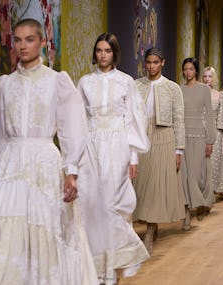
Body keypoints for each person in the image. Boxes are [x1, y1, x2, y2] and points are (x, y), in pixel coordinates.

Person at [0, 18, 99, 285]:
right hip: (11, 166)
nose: (22, 45)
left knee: (47, 226)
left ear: (42, 42)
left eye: (29, 39)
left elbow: (73, 127)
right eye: (17, 40)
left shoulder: (57, 81)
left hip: (44, 163)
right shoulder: (4, 84)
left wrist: (71, 171)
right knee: (7, 227)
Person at [77, 33, 150, 284]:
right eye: (98, 50)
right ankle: (97, 268)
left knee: (114, 204)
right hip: (91, 146)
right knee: (91, 204)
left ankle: (115, 266)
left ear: (114, 53)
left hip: (118, 146)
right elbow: (78, 121)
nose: (102, 55)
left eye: (107, 50)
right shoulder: (85, 82)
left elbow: (133, 120)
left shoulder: (126, 82)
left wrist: (133, 157)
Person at [133, 48, 186, 254]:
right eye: (148, 62)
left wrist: (179, 150)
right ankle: (145, 225)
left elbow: (179, 119)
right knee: (140, 182)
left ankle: (149, 230)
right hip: (141, 136)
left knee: (156, 184)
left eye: (155, 62)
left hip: (164, 136)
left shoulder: (172, 88)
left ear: (162, 63)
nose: (152, 66)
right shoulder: (136, 85)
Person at [180, 57, 215, 230]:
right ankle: (186, 213)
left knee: (197, 176)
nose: (188, 72)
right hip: (183, 137)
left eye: (191, 69)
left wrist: (210, 140)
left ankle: (201, 203)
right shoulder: (179, 89)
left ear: (196, 71)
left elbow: (209, 115)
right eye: (185, 69)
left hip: (200, 136)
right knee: (185, 177)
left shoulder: (204, 90)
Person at [202, 67, 223, 200]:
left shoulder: (219, 95)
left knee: (214, 164)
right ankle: (201, 194)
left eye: (210, 76)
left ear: (214, 79)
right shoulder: (197, 93)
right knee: (201, 165)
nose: (207, 79)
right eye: (205, 76)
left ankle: (210, 194)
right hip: (199, 131)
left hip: (216, 132)